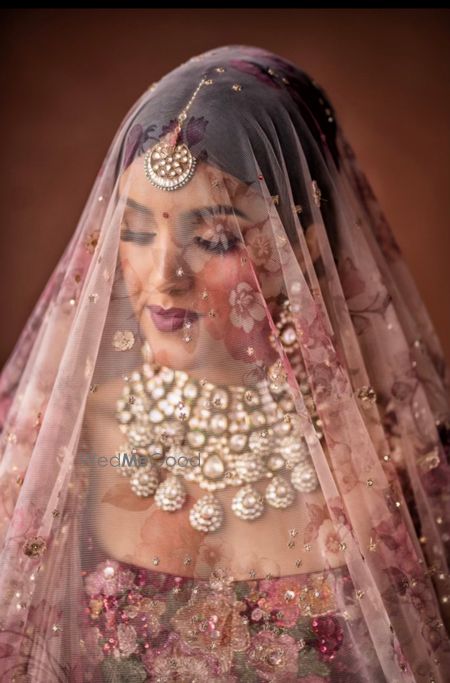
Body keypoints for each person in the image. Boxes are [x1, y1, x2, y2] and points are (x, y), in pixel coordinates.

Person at [0, 44, 449, 683]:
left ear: (308, 243)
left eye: (214, 239)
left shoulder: (405, 466)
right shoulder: (52, 444)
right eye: (135, 231)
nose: (164, 277)